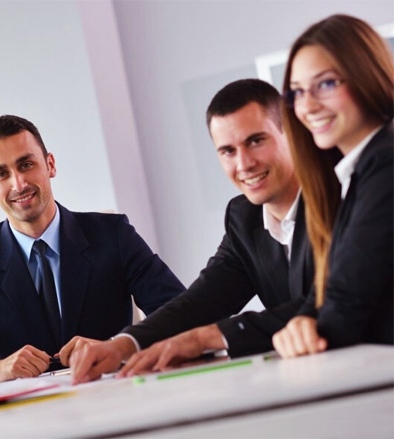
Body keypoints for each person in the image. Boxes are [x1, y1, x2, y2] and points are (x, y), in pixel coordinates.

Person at [63, 79, 315, 383]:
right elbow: (203, 300)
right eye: (227, 151)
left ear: (290, 132)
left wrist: (208, 337)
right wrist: (124, 344)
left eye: (256, 141)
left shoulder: (343, 199)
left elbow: (332, 301)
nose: (244, 163)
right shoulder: (243, 215)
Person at [0, 115, 185, 382]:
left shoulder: (113, 234)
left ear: (50, 164)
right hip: (27, 418)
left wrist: (119, 345)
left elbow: (183, 316)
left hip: (114, 397)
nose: (18, 184)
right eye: (1, 174)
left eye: (26, 164)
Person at [272, 14, 393, 358]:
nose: (307, 106)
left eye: (325, 84)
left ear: (366, 74)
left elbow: (349, 301)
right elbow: (329, 289)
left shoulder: (386, 161)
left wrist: (310, 330)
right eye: (297, 91)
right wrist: (304, 320)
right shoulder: (356, 170)